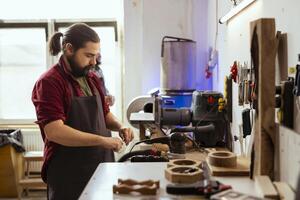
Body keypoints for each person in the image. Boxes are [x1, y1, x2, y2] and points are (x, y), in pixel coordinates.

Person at [31, 23, 134, 200]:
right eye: (88, 56)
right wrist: (103, 141)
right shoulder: (50, 82)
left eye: (96, 56)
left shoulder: (92, 78)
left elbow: (104, 113)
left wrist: (120, 126)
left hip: (101, 164)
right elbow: (54, 131)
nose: (94, 62)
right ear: (69, 49)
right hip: (68, 172)